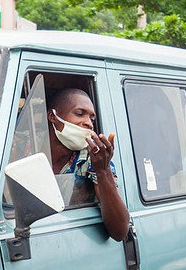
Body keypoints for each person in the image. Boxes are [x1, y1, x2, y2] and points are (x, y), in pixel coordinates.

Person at [47, 88, 130, 241]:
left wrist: (103, 170)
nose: (89, 123)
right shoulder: (23, 145)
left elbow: (119, 232)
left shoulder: (93, 158)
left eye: (92, 119)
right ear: (53, 116)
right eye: (80, 114)